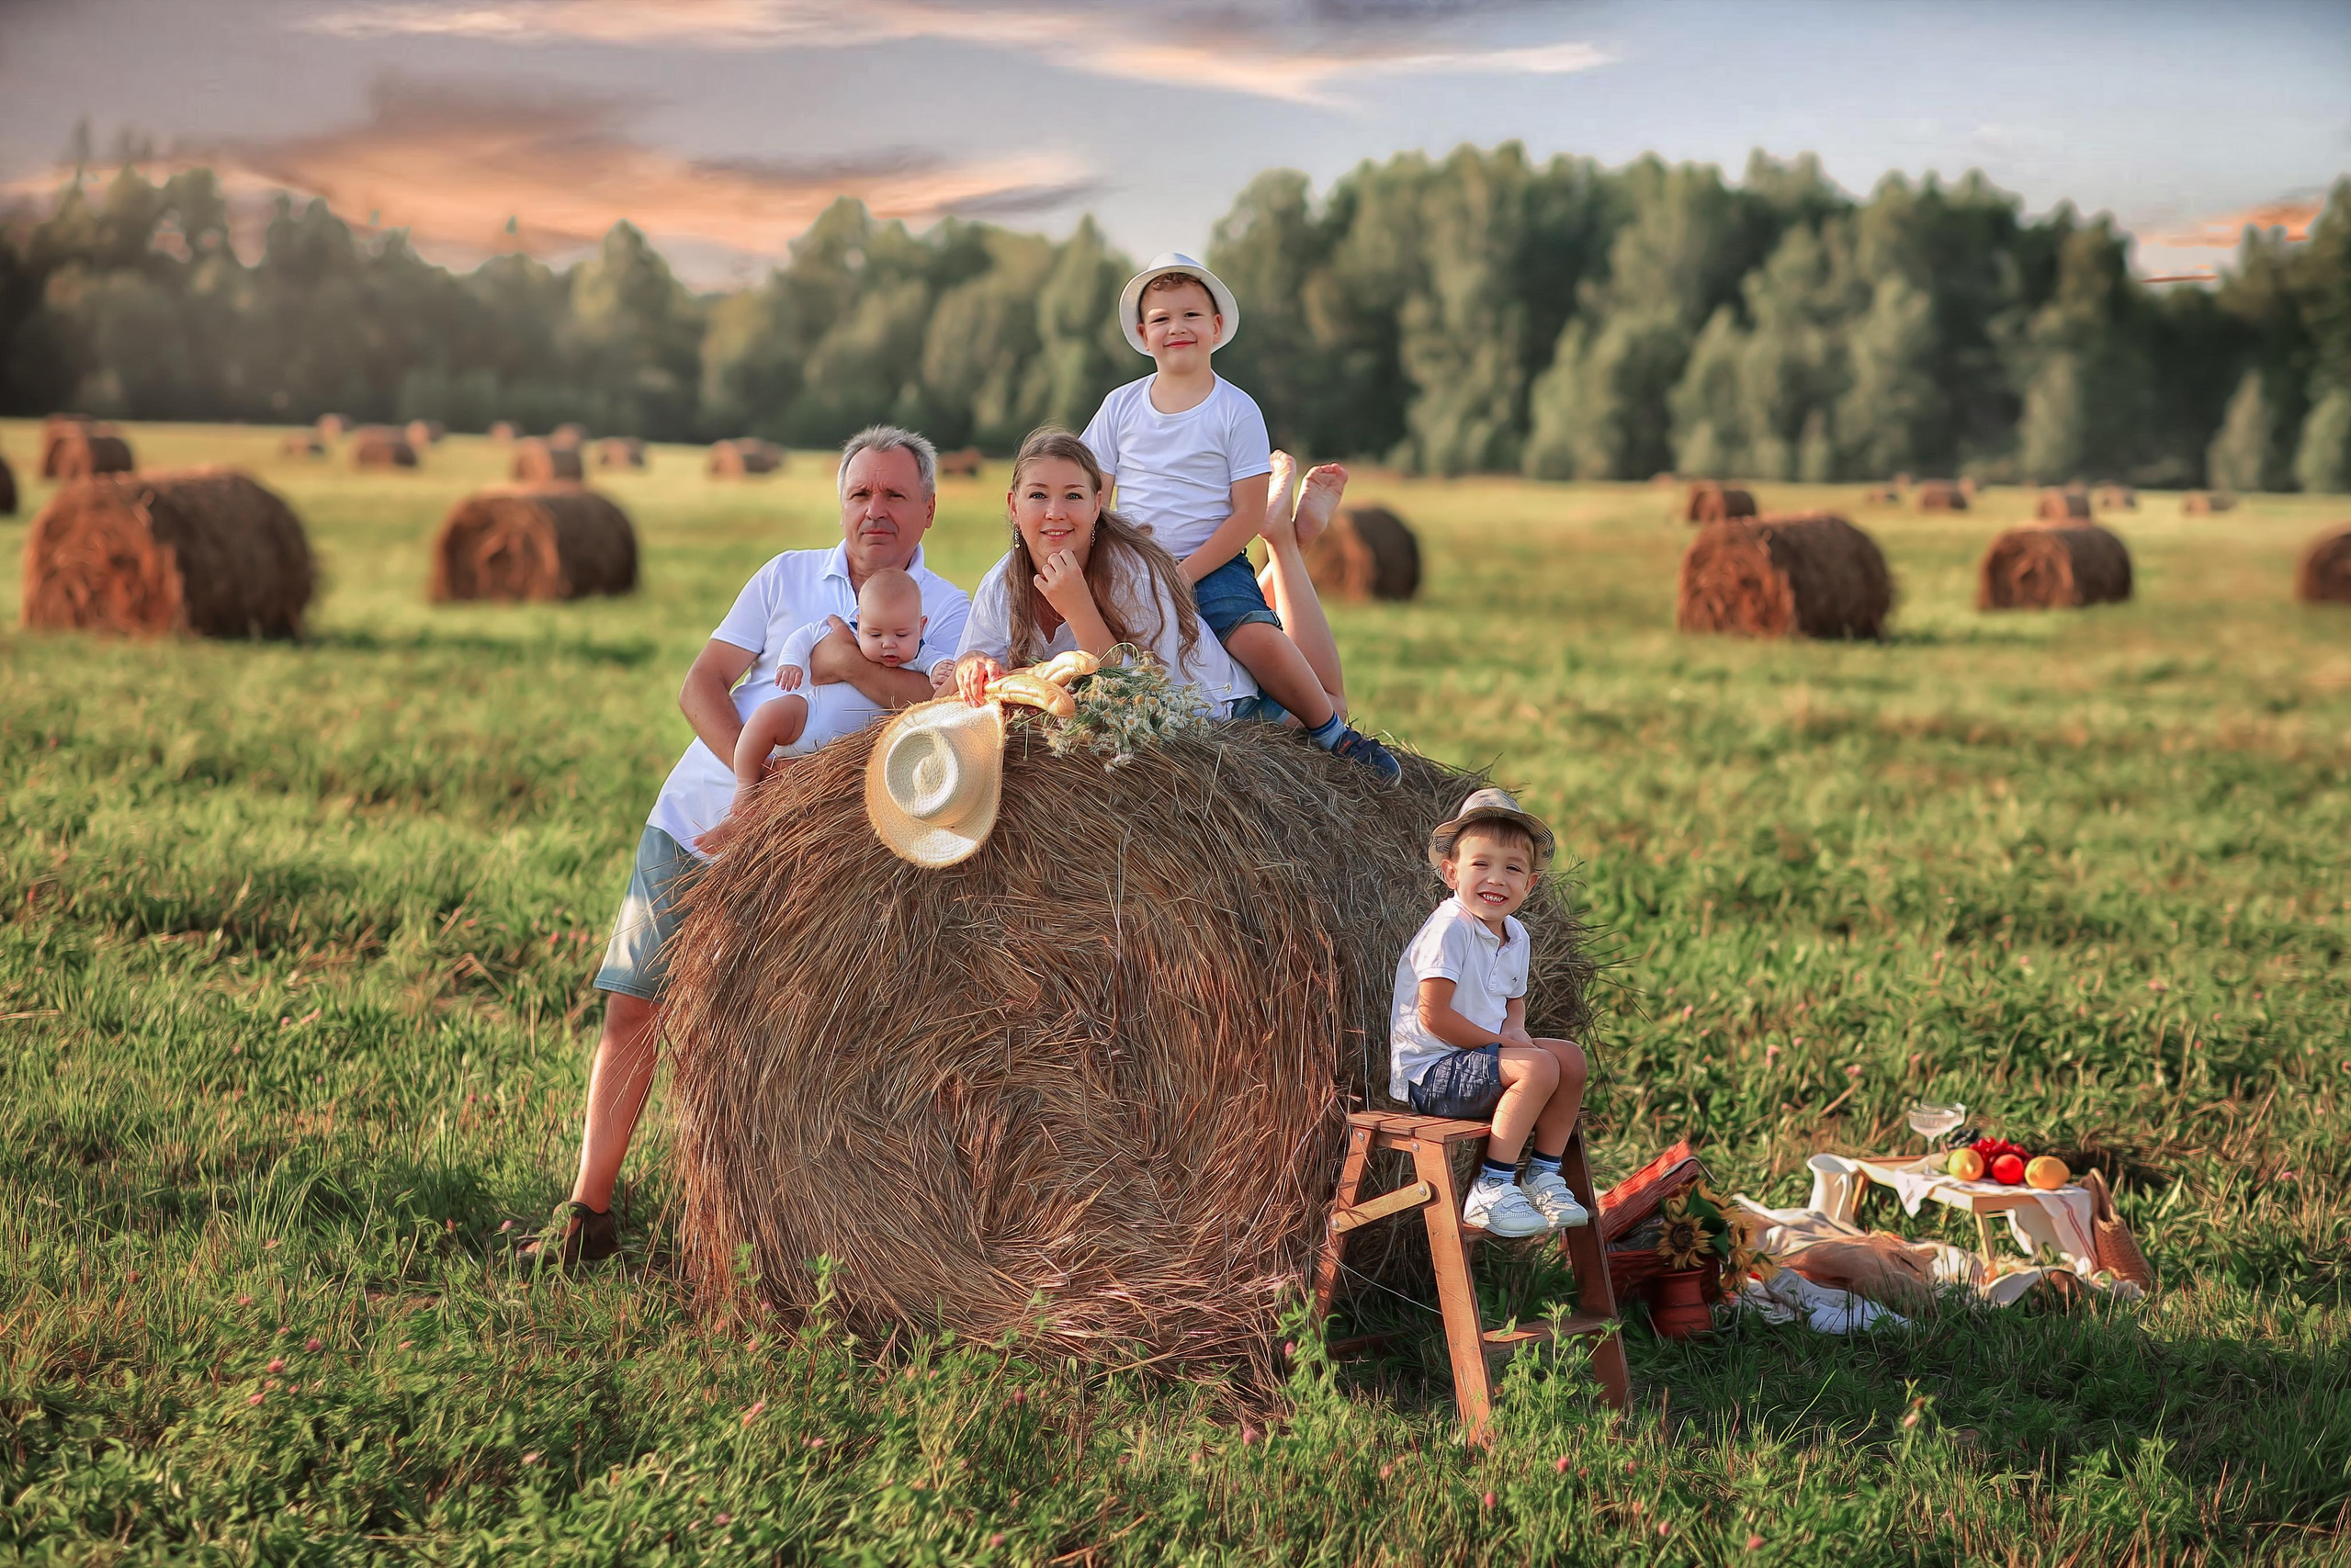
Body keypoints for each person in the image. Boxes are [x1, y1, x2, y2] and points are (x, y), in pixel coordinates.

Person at [525, 426, 971, 1268]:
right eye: (860, 493)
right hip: (700, 814)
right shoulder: (785, 576)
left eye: (894, 495)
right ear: (841, 502)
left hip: (828, 851)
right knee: (634, 1006)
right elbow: (700, 681)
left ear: (929, 509)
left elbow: (926, 704)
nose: (874, 509)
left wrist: (845, 663)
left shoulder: (948, 607)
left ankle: (770, 1235)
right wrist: (754, 776)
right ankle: (588, 1213)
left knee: (779, 1037)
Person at [1079, 252, 1398, 780]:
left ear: (1217, 326)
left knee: (1254, 636)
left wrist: (1185, 575)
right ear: (1142, 332)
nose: (1176, 328)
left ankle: (1331, 732)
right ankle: (1292, 542)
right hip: (1133, 566)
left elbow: (1246, 513)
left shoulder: (1235, 408)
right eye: (1161, 319)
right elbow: (1094, 496)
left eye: (1190, 316)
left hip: (1215, 561)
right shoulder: (1120, 406)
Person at [1389, 789, 1592, 1238]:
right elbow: (1434, 1017)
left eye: (1513, 868)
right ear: (1451, 873)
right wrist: (1506, 1047)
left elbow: (1513, 1001)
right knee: (1538, 1067)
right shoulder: (1450, 928)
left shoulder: (1515, 934)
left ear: (1530, 884)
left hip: (1480, 1061)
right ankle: (1492, 1186)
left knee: (1571, 1059)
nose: (1496, 879)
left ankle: (1542, 1174)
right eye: (1481, 864)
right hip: (1433, 1073)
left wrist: (1515, 1032)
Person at [948, 427, 1254, 711]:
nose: (1055, 512)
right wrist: (970, 663)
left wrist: (1079, 609)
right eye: (1038, 495)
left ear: (1096, 506)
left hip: (1221, 708)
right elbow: (944, 703)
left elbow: (1144, 699)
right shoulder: (1000, 585)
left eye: (1073, 496)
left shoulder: (1135, 574)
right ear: (1014, 507)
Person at [729, 567, 930, 800]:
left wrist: (940, 670)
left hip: (846, 757)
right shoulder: (848, 632)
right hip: (806, 719)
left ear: (920, 627)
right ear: (860, 622)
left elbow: (939, 680)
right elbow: (805, 635)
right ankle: (745, 783)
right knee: (768, 715)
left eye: (901, 635)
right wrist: (791, 662)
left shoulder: (923, 655)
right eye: (875, 635)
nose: (888, 644)